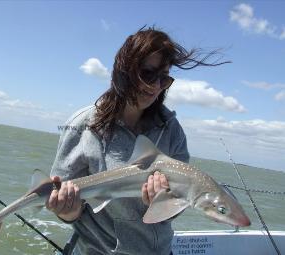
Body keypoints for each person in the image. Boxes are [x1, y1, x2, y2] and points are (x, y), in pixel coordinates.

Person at [46, 26, 227, 254]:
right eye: (148, 73)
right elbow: (67, 207)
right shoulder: (82, 124)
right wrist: (66, 210)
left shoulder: (171, 130)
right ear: (124, 70)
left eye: (164, 79)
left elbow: (181, 202)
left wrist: (162, 202)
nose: (154, 86)